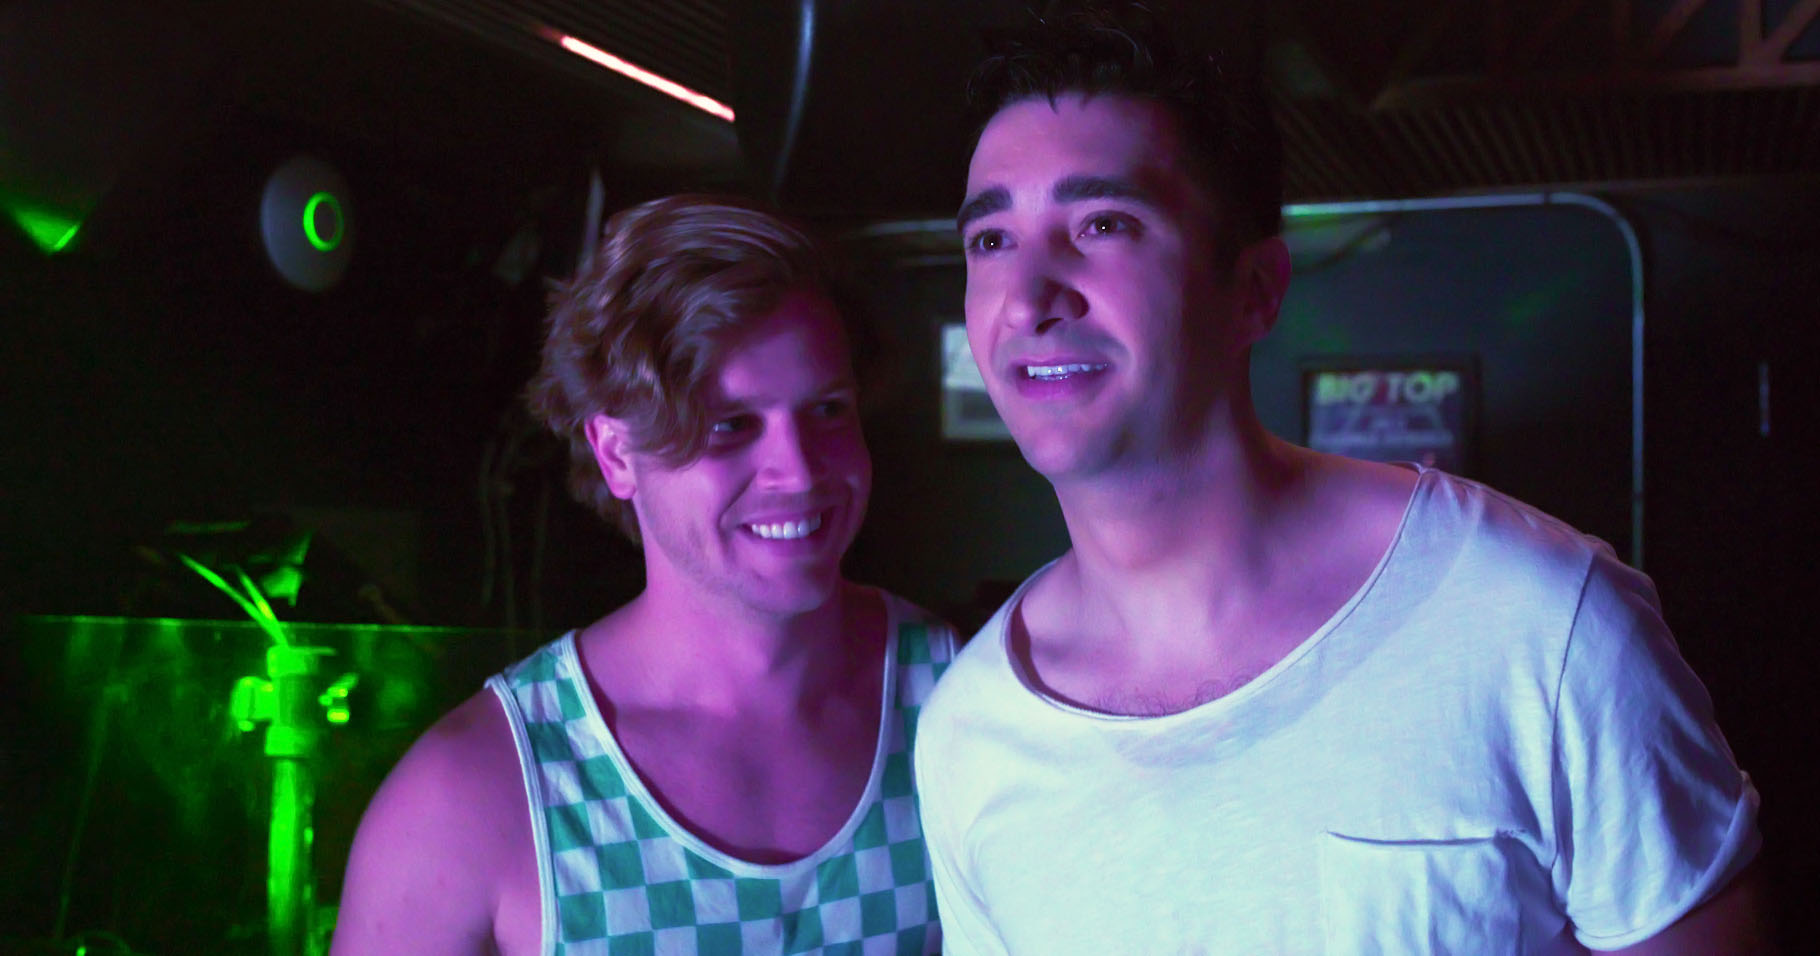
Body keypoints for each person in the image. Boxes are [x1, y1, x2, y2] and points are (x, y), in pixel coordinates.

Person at [913, 4, 1769, 953]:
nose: (1027, 298)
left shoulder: (1542, 623)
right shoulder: (969, 730)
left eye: (1102, 223)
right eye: (991, 241)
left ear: (1256, 291)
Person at [334, 195, 954, 955]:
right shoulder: (473, 795)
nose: (798, 472)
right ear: (616, 454)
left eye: (828, 410)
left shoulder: (962, 696)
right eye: (730, 425)